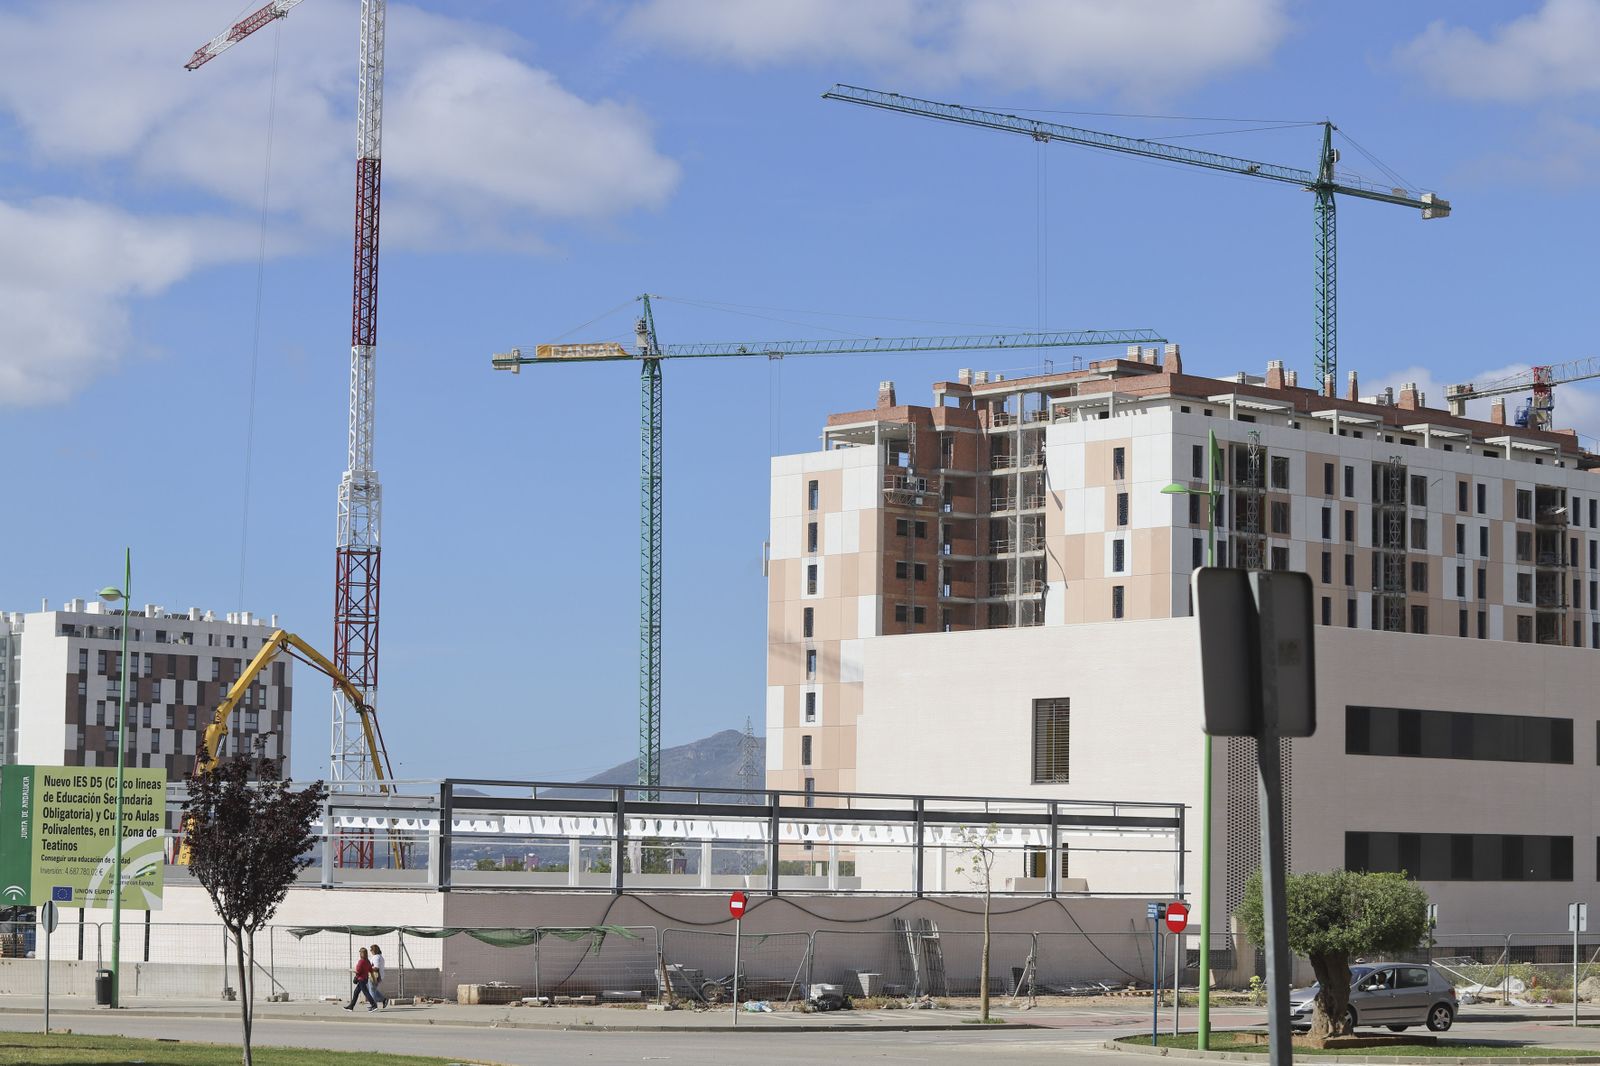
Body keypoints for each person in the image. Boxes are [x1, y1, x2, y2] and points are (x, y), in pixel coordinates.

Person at [344, 947, 378, 1012]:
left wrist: (351, 971)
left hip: (361, 979)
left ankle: (374, 1005)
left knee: (366, 993)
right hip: (365, 979)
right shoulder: (367, 961)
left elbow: (358, 972)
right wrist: (374, 979)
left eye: (360, 953)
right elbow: (371, 971)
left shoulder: (361, 961)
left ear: (361, 953)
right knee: (356, 992)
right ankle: (351, 1006)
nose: (360, 954)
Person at [369, 943, 388, 1009]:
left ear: (374, 950)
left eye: (371, 950)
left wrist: (368, 968)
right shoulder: (380, 957)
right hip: (378, 976)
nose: (370, 951)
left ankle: (374, 1005)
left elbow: (376, 968)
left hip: (374, 976)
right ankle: (384, 999)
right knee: (373, 990)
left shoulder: (376, 957)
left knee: (372, 991)